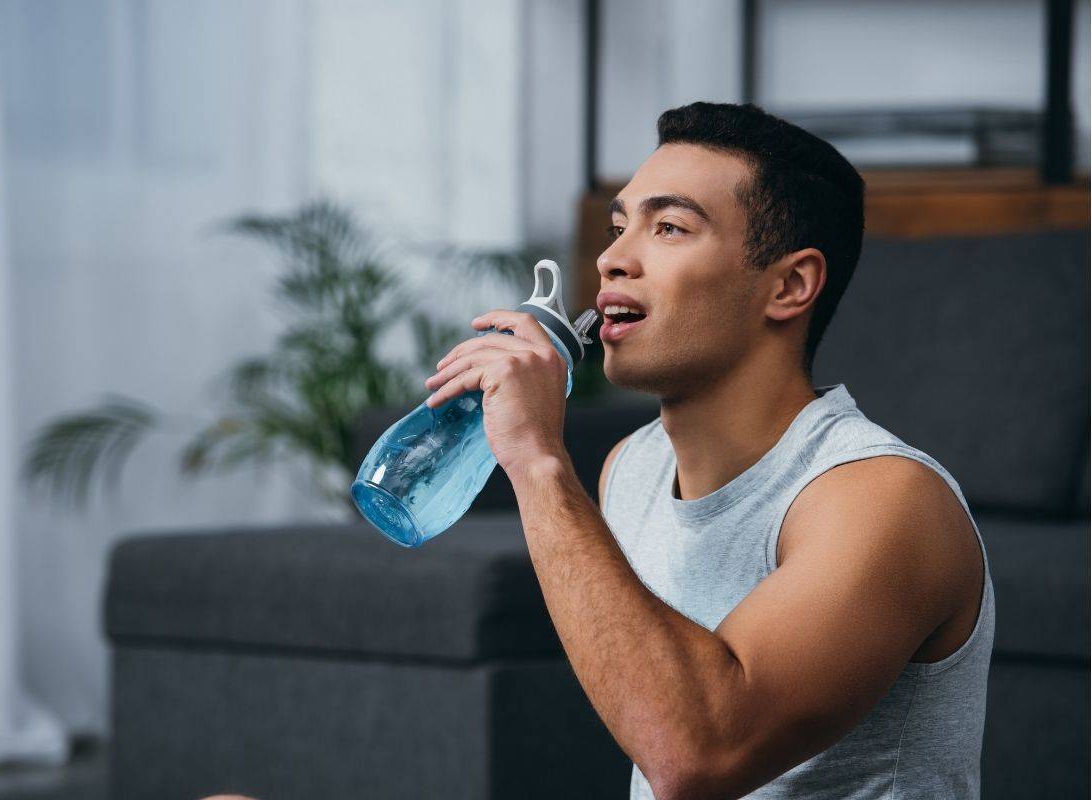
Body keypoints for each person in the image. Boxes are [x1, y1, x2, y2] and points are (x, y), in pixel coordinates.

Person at [421, 102, 993, 799]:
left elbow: (695, 756)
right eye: (617, 225)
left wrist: (538, 463)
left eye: (668, 227)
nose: (611, 258)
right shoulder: (632, 469)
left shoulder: (885, 499)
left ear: (789, 286)